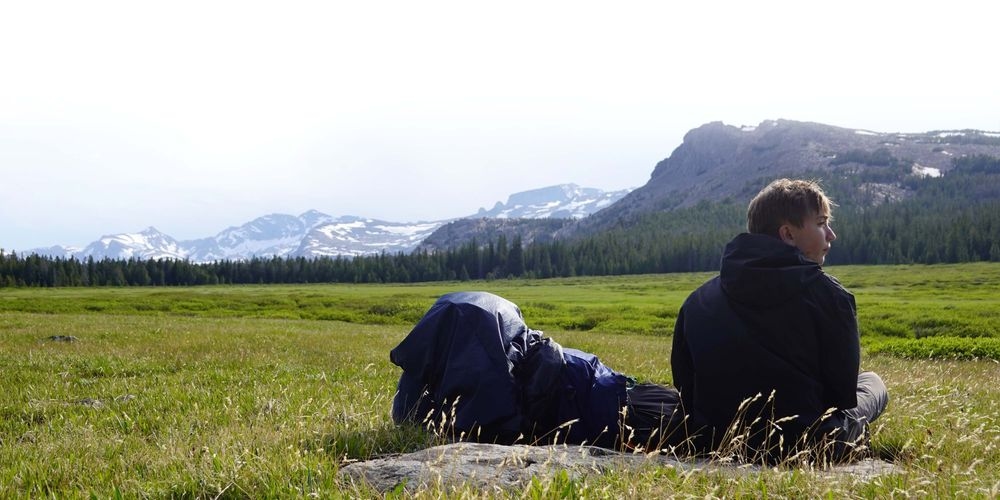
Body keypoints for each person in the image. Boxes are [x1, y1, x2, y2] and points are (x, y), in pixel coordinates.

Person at [671, 178, 889, 463]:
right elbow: (842, 396)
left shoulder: (697, 300)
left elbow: (685, 384)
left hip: (715, 440)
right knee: (873, 383)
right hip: (809, 445)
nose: (831, 234)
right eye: (822, 223)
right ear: (787, 233)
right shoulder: (831, 296)